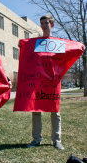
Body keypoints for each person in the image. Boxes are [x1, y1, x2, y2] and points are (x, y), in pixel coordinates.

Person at [24, 15, 64, 150]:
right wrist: (22, 45)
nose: (44, 25)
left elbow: (67, 56)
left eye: (46, 22)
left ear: (52, 24)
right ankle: (36, 139)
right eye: (42, 23)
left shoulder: (58, 43)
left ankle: (56, 140)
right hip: (38, 81)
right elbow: (29, 55)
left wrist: (79, 47)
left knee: (55, 111)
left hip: (53, 82)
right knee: (36, 110)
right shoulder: (36, 43)